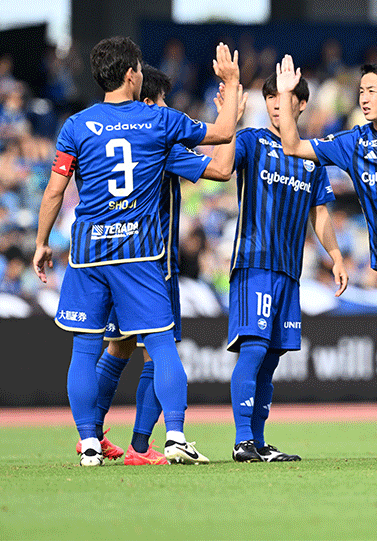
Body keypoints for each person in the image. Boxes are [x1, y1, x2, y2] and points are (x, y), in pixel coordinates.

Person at [33, 37, 241, 465]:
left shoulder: (76, 125)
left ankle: (89, 440)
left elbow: (55, 190)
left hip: (88, 254)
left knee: (85, 351)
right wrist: (233, 85)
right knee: (163, 346)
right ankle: (176, 434)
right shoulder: (157, 121)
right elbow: (221, 135)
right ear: (132, 75)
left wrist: (40, 243)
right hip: (139, 253)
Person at [279, 62, 377, 460]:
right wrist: (290, 98)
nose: (363, 97)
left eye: (371, 90)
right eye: (360, 90)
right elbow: (293, 146)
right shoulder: (353, 142)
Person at [229, 57, 348, 462]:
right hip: (255, 262)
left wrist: (335, 255)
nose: (278, 106)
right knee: (254, 348)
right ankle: (242, 439)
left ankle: (258, 440)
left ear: (300, 106)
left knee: (272, 356)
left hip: (289, 270)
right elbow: (223, 167)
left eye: (287, 99)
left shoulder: (309, 157)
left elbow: (320, 212)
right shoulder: (251, 141)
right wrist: (227, 116)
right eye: (272, 99)